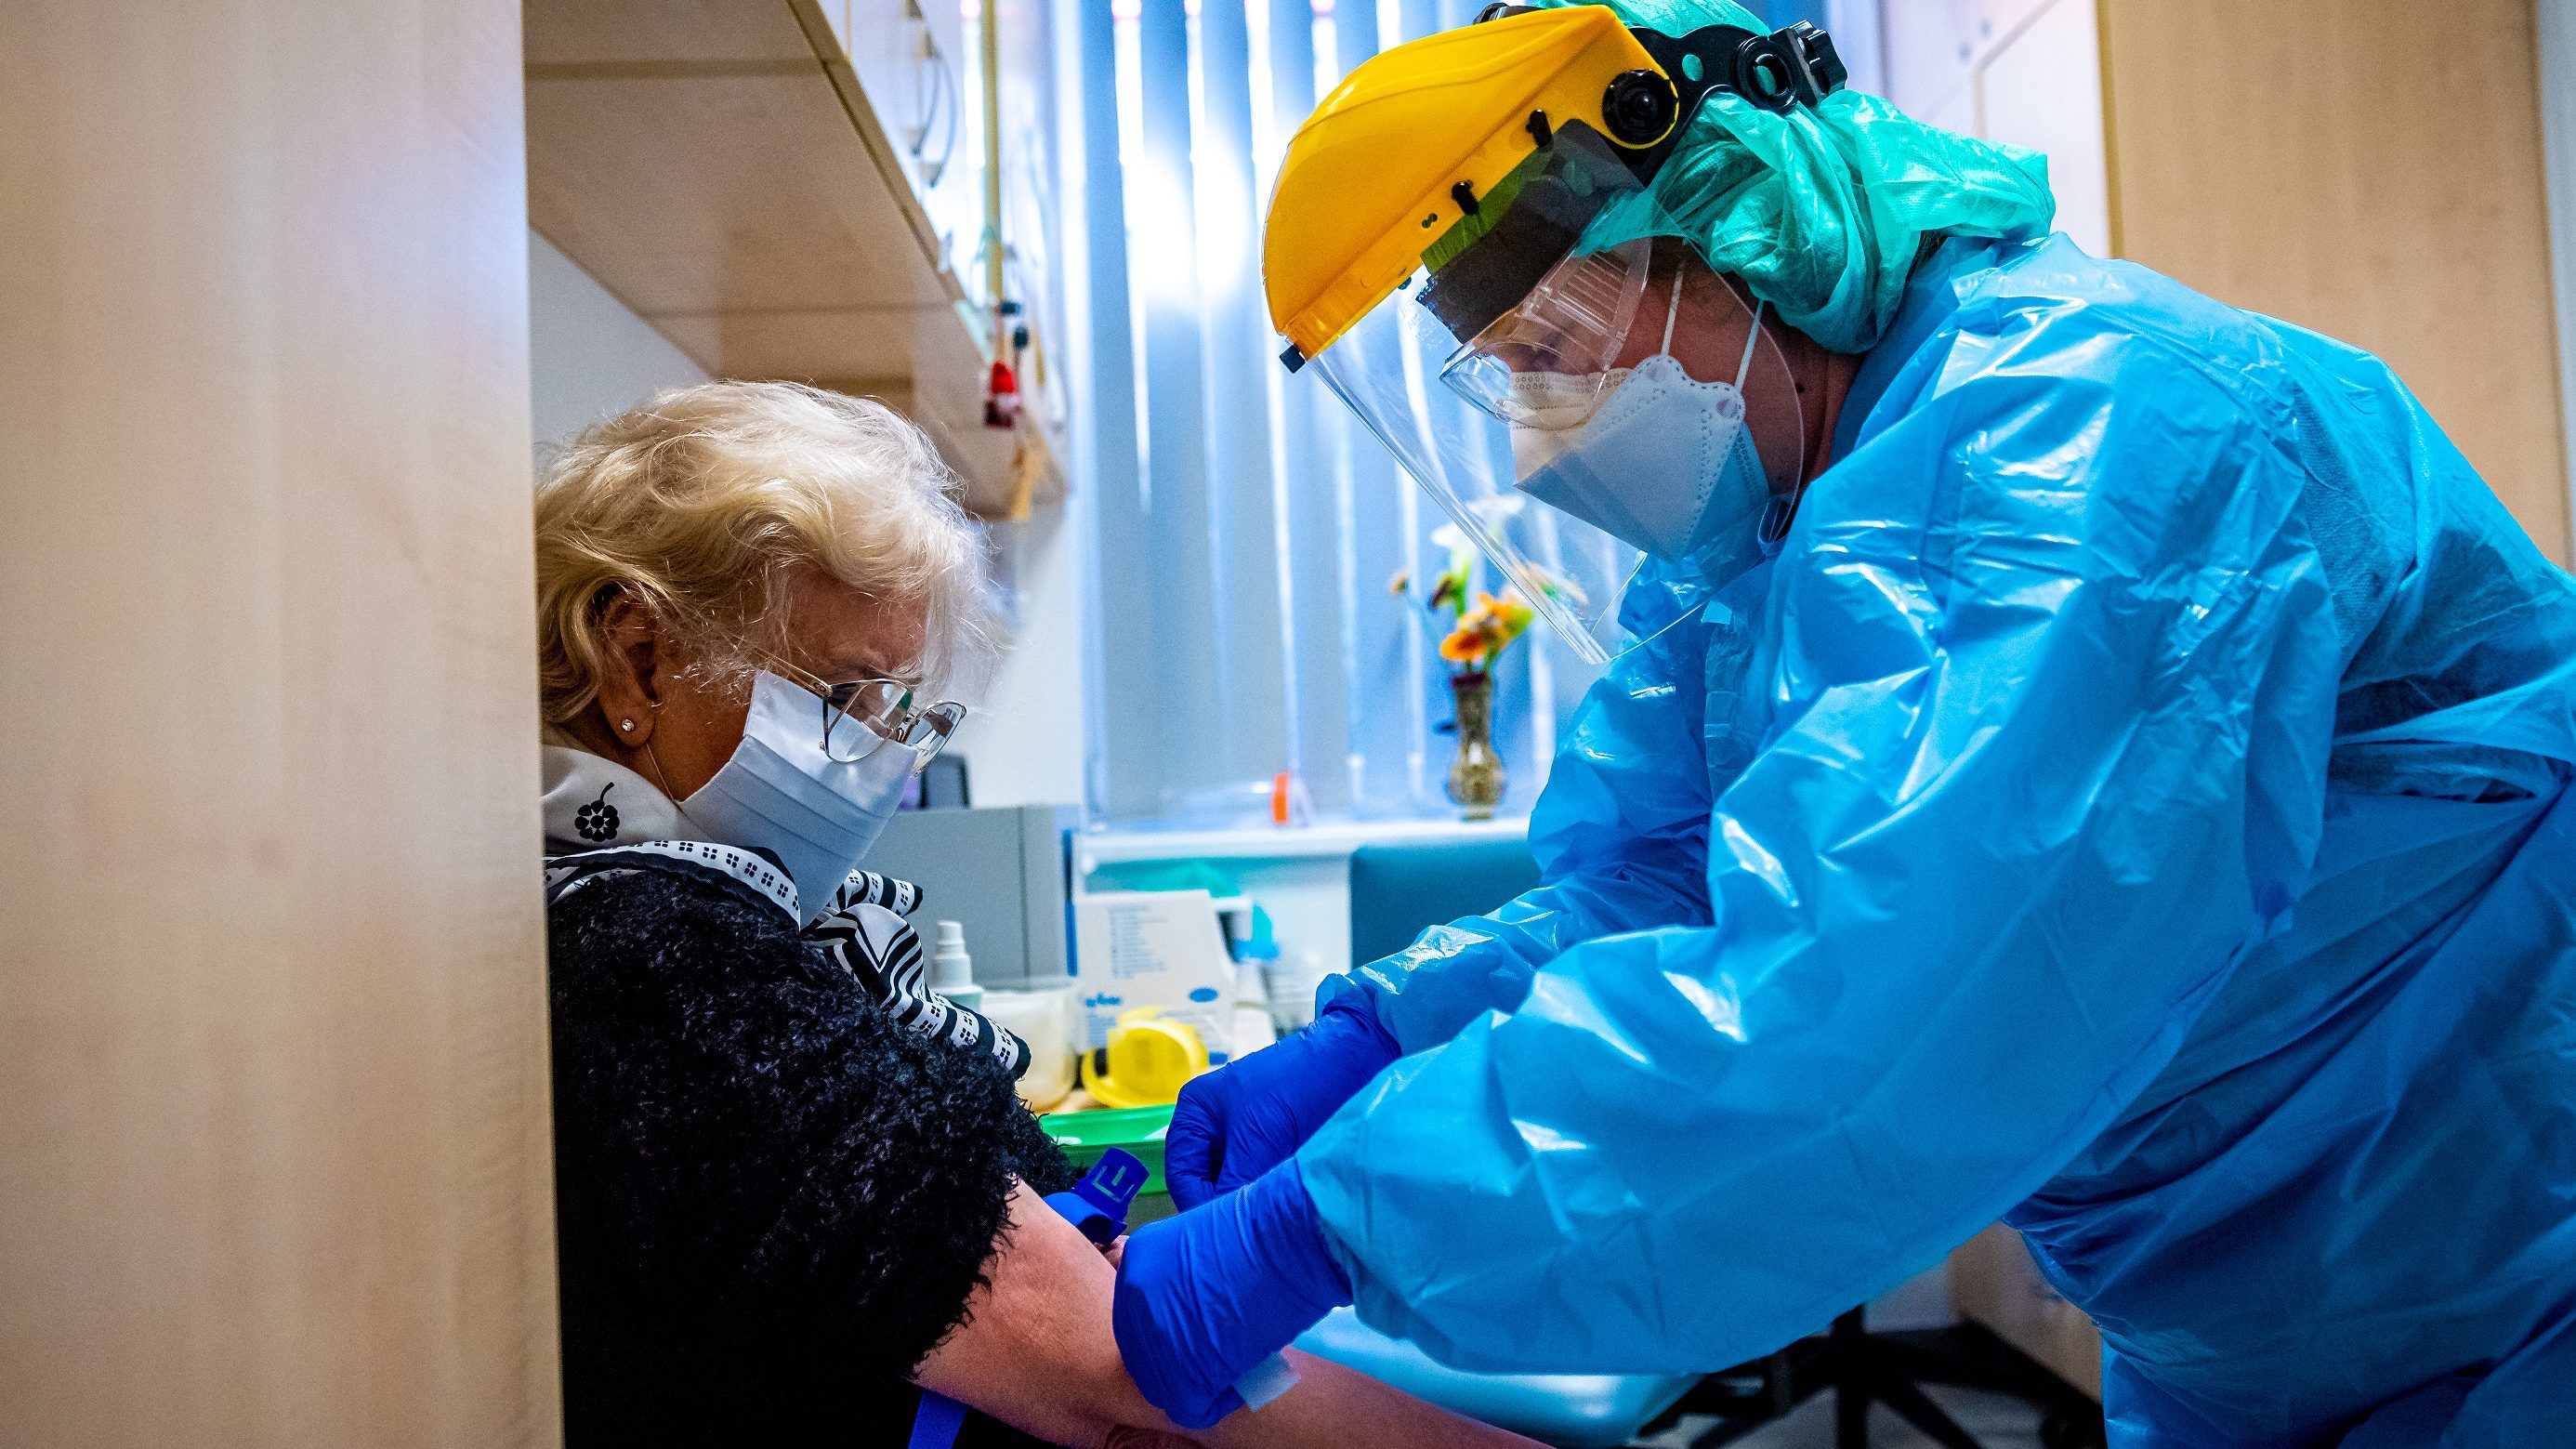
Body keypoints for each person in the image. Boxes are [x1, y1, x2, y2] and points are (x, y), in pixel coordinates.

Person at [1107, 3, 2576, 1444]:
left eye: (1554, 342)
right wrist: (1381, 1036)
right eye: (1500, 370)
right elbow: (1666, 878)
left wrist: (1342, 1215)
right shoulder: (1760, 550)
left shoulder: (2090, 433)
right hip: (2242, 1309)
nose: (1536, 421)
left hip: (2504, 1254)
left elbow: (1856, 991)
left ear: (1731, 228)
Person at [533, 381, 1546, 1449]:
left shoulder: (761, 925)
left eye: (897, 705)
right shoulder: (652, 953)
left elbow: (1053, 1236)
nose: (879, 754)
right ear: (635, 657)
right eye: (843, 695)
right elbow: (1121, 1358)